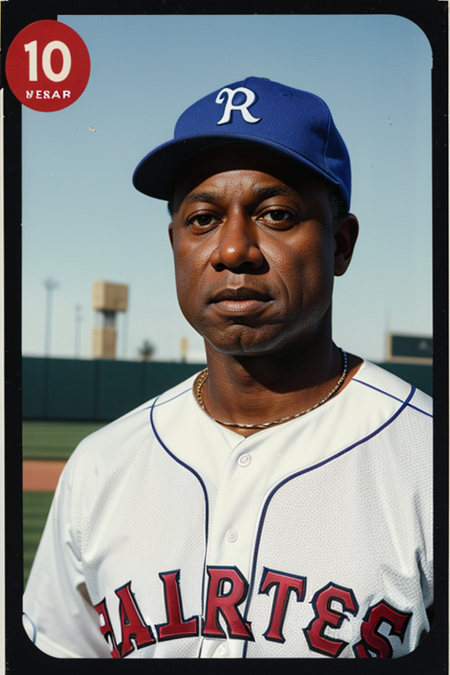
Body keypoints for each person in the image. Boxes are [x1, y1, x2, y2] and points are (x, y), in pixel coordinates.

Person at [23, 77, 433, 659]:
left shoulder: (426, 460)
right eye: (203, 219)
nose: (233, 249)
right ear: (174, 245)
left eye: (276, 214)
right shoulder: (100, 467)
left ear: (340, 245)